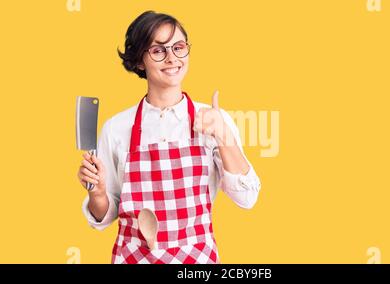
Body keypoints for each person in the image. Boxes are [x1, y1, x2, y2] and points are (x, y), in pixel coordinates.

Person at [76, 10, 261, 264]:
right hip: (134, 258)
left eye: (179, 47)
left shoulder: (214, 119)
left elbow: (247, 199)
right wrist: (97, 194)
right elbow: (104, 216)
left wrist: (223, 134)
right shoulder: (116, 128)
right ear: (140, 60)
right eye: (158, 50)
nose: (172, 57)